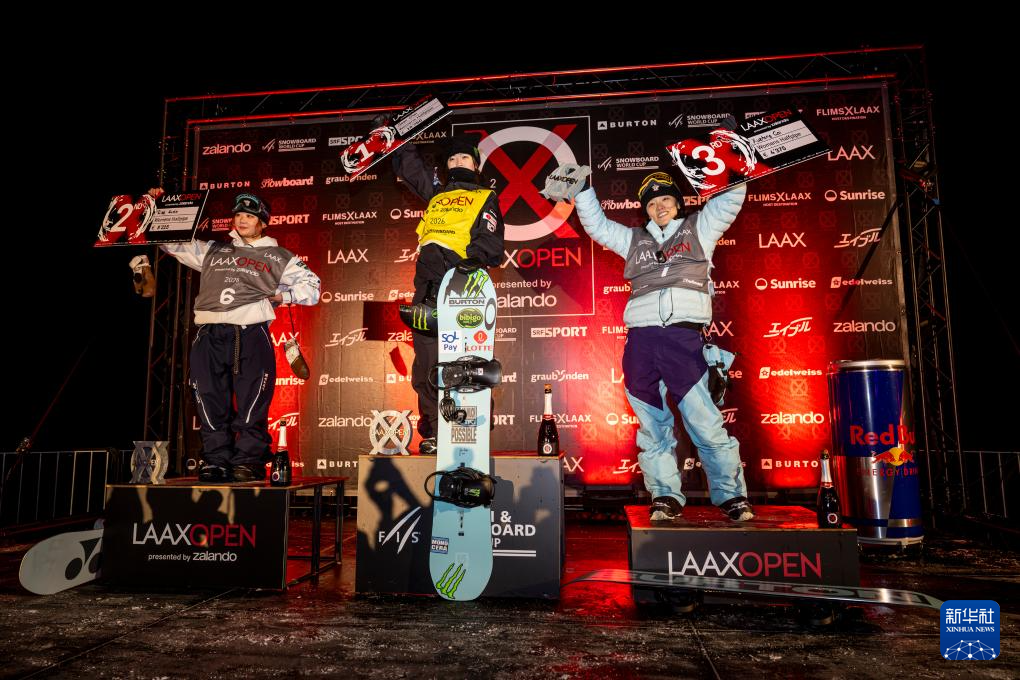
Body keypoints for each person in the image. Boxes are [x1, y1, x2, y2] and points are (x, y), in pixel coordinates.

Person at [572, 171, 754, 521]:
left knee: (705, 423)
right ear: (646, 209)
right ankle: (665, 496)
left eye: (666, 200)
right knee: (652, 427)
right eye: (652, 203)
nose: (660, 207)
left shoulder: (700, 228)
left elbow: (729, 202)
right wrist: (582, 192)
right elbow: (598, 227)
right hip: (641, 342)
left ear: (678, 203)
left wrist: (732, 167)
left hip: (683, 340)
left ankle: (732, 497)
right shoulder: (633, 239)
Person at [158, 190, 321, 482]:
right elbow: (170, 243)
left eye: (250, 216)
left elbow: (313, 287)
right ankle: (216, 460)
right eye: (238, 215)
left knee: (252, 400)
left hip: (250, 332)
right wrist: (159, 206)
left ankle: (248, 460)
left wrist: (282, 296)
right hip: (209, 333)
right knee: (209, 399)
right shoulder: (213, 250)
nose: (242, 220)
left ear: (263, 222)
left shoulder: (279, 255)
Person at [390, 133, 505, 454]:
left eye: (464, 158)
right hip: (427, 287)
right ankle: (434, 430)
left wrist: (475, 259)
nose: (457, 162)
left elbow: (490, 235)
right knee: (427, 363)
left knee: (466, 361)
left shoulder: (484, 195)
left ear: (476, 165)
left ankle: (470, 428)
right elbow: (413, 172)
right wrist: (397, 139)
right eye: (452, 159)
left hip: (463, 283)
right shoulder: (437, 194)